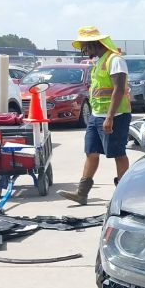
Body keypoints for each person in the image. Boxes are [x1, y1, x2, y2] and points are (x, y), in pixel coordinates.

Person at [58, 26, 131, 205]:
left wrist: (110, 117)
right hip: (96, 115)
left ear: (94, 44)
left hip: (115, 116)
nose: (84, 50)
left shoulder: (115, 60)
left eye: (85, 46)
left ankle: (122, 195)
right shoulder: (99, 61)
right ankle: (82, 193)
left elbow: (119, 89)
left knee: (118, 154)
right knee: (91, 152)